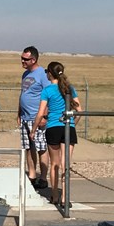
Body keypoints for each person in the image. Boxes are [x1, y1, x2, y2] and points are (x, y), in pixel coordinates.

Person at [35, 60, 81, 198]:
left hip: (53, 127)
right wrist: (73, 123)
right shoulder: (69, 88)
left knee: (54, 162)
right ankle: (64, 196)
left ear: (50, 73)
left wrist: (33, 129)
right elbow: (79, 110)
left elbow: (40, 112)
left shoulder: (47, 90)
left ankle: (54, 194)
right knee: (65, 163)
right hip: (68, 127)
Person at [18, 46, 50, 189]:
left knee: (41, 147)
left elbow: (49, 95)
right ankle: (32, 174)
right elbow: (23, 93)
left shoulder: (42, 74)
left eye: (25, 59)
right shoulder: (25, 74)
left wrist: (45, 116)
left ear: (33, 59)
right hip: (25, 117)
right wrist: (18, 112)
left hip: (37, 117)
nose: (22, 61)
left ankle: (43, 177)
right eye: (22, 58)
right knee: (28, 147)